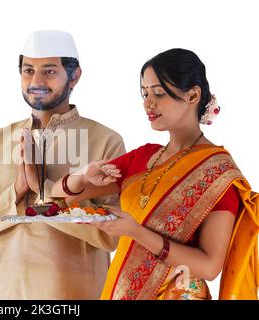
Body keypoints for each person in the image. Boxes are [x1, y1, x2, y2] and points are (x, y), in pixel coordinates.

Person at [52, 48, 258, 300]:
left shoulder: (217, 171)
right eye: (144, 93)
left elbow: (209, 266)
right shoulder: (143, 157)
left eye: (159, 93)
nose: (148, 103)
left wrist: (136, 232)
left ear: (193, 95)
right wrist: (83, 175)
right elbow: (59, 196)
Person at [0, 30, 125, 299]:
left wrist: (44, 191)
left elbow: (112, 235)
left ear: (75, 76)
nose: (36, 81)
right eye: (28, 70)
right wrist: (16, 191)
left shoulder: (104, 141)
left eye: (49, 71)